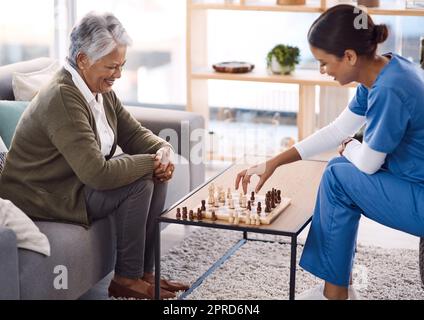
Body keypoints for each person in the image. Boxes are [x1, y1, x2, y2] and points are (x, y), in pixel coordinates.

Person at [235, 4, 424, 300]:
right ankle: (336, 291)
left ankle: (335, 295)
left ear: (349, 56)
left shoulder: (389, 89)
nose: (323, 71)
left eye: (324, 62)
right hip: (412, 181)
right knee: (339, 170)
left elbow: (369, 163)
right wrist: (274, 163)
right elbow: (337, 130)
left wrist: (350, 147)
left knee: (338, 174)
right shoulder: (384, 69)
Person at [0, 12, 189, 300]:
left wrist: (163, 150)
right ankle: (125, 279)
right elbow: (96, 173)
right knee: (142, 181)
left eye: (122, 65)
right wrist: (151, 163)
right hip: (44, 194)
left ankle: (144, 273)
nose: (119, 74)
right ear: (83, 59)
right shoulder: (63, 97)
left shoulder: (98, 89)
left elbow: (134, 133)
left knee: (155, 174)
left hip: (73, 182)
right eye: (112, 66)